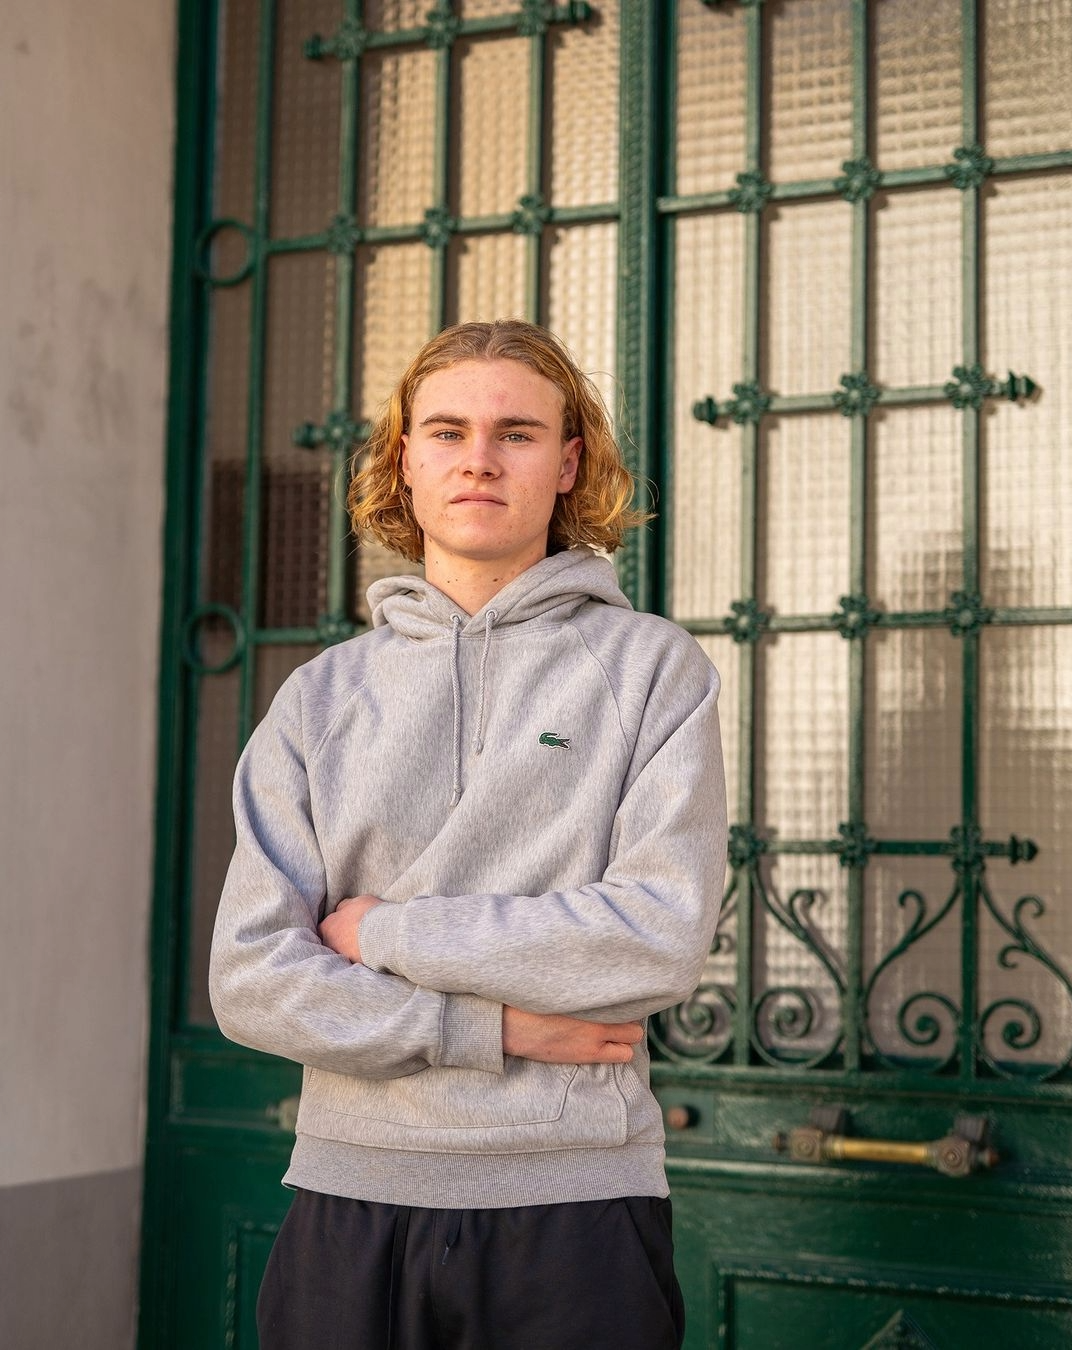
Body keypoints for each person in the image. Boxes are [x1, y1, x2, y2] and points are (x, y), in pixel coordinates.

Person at [209, 319, 727, 1350]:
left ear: (568, 463)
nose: (479, 459)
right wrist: (494, 1031)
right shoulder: (318, 701)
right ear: (405, 461)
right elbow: (252, 979)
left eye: (518, 433)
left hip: (575, 1211)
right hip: (348, 1201)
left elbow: (657, 935)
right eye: (446, 431)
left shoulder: (653, 671)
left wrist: (377, 935)